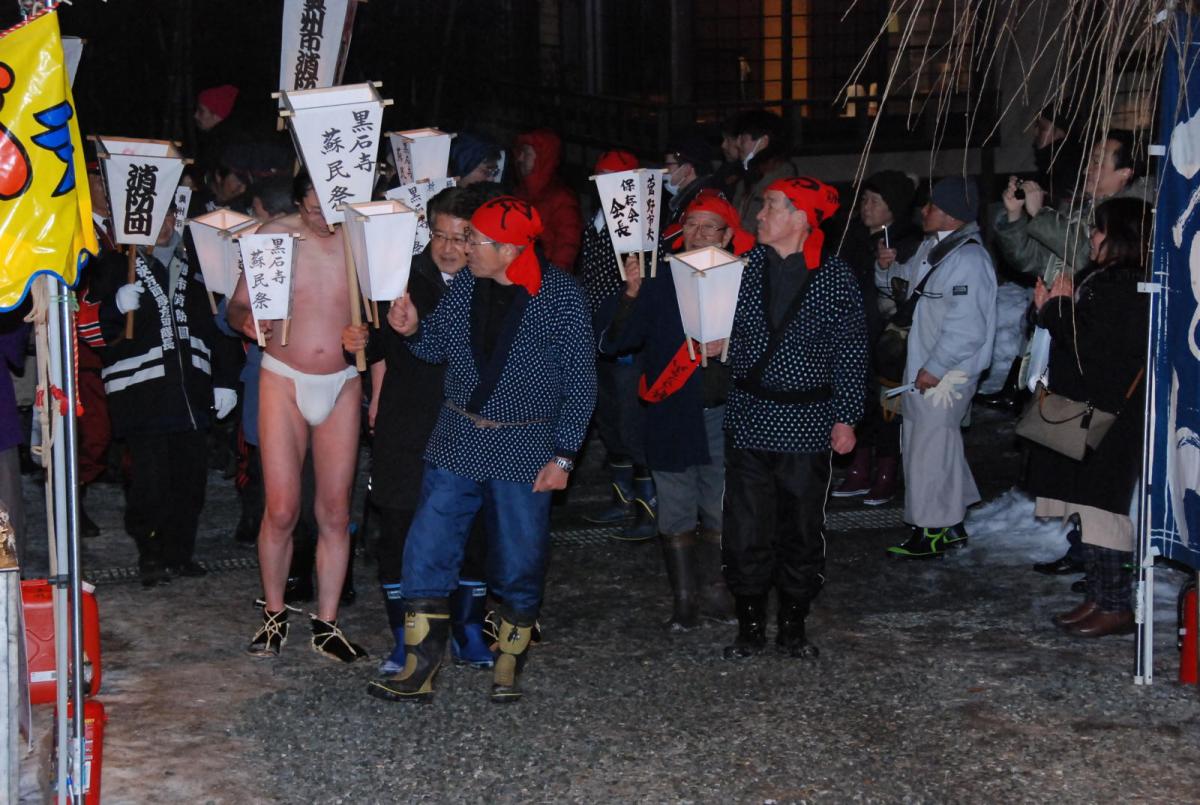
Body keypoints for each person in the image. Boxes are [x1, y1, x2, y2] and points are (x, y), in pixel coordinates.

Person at [367, 196, 595, 704]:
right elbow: (434, 348)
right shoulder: (468, 285)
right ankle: (420, 666)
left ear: (511, 250)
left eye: (475, 240)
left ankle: (508, 660)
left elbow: (582, 382)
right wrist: (409, 329)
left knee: (519, 558)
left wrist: (564, 457)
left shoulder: (560, 296)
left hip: (526, 444)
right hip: (458, 436)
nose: (463, 248)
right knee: (426, 549)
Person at [341, 184, 504, 675]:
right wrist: (360, 341)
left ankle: (469, 627)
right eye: (440, 235)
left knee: (472, 527)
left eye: (463, 237)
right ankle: (404, 636)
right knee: (400, 527)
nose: (451, 248)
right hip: (408, 419)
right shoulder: (398, 276)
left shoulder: (497, 281)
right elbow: (377, 346)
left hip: (470, 423)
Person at [722, 177, 867, 660]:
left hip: (807, 424)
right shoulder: (740, 270)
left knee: (801, 529)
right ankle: (748, 625)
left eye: (770, 207)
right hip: (749, 419)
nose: (759, 215)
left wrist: (846, 417)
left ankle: (792, 626)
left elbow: (851, 352)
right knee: (745, 527)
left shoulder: (834, 276)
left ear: (801, 216)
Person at [597, 190, 754, 630]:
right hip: (669, 412)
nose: (697, 233)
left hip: (726, 412)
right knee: (676, 508)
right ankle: (684, 598)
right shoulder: (658, 280)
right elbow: (614, 343)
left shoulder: (747, 279)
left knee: (721, 507)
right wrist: (629, 296)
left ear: (728, 235)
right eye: (690, 225)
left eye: (709, 227)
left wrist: (733, 348)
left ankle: (717, 589)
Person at [228, 172, 367, 663]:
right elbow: (238, 302)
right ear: (300, 200)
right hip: (283, 376)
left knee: (334, 511)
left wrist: (372, 341)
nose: (322, 219)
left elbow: (388, 310)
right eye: (312, 208)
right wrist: (243, 319)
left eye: (331, 210)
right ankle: (273, 612)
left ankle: (327, 623)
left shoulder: (362, 237)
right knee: (282, 507)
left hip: (342, 382)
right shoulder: (274, 237)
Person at [90, 204, 238, 586]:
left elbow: (219, 326)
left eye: (170, 216)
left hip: (192, 392)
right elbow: (88, 331)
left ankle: (181, 551)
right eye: (154, 218)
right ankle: (151, 552)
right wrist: (113, 307)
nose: (164, 225)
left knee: (190, 480)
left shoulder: (199, 269)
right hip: (143, 394)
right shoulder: (113, 266)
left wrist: (225, 378)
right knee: (149, 482)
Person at [1025, 197, 1150, 637]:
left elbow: (1094, 349)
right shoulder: (1105, 279)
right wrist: (1050, 308)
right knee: (1087, 508)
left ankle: (1115, 604)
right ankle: (1098, 597)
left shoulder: (1127, 284)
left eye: (1100, 230)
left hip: (1111, 415)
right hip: (1090, 409)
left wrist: (1056, 309)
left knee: (1103, 510)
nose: (1093, 237)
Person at [876, 177, 998, 559]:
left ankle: (929, 530)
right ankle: (953, 523)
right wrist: (886, 269)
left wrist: (936, 366)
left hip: (948, 372)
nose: (923, 211)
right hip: (928, 365)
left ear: (950, 213)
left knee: (926, 447)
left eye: (930, 205)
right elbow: (901, 291)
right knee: (937, 441)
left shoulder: (969, 260)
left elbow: (968, 327)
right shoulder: (935, 248)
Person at [577, 150, 656, 538]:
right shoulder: (592, 222)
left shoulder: (640, 231)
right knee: (608, 418)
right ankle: (621, 495)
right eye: (600, 177)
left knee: (632, 419)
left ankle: (648, 503)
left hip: (626, 340)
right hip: (595, 335)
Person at [834, 170, 921, 505]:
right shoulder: (852, 237)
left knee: (887, 407)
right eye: (865, 199)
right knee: (857, 400)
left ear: (893, 207)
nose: (866, 206)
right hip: (853, 332)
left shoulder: (906, 241)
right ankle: (858, 465)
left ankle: (886, 471)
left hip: (887, 339)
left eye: (875, 201)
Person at [513, 128, 583, 270]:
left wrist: (551, 285)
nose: (520, 158)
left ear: (542, 157)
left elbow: (567, 248)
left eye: (526, 153)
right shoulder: (520, 192)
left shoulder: (561, 198)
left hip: (543, 280)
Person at [729, 110, 797, 233]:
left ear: (763, 142)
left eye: (743, 139)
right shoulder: (748, 179)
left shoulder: (782, 184)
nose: (738, 144)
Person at [663, 130, 719, 227]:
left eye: (668, 165)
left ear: (687, 169)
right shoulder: (689, 198)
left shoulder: (700, 204)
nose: (664, 170)